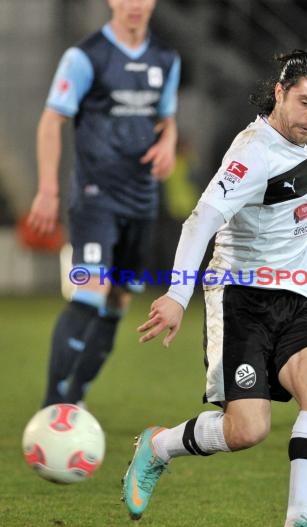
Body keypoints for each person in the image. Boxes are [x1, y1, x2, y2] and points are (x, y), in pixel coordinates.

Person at [122, 50, 307, 527]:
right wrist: (178, 295)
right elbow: (200, 220)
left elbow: (282, 197)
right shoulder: (251, 153)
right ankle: (157, 447)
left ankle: (296, 526)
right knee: (248, 430)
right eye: (305, 102)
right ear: (280, 94)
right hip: (241, 298)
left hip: (295, 298)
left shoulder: (296, 143)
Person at [27, 0, 181, 407]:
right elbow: (51, 120)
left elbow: (166, 118)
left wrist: (167, 142)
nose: (133, 4)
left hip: (142, 201)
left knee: (118, 300)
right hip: (96, 198)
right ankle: (51, 408)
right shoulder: (85, 56)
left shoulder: (166, 58)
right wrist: (47, 190)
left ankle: (74, 399)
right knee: (88, 292)